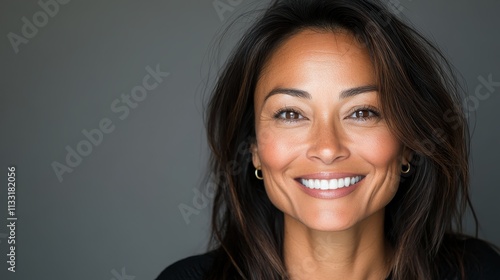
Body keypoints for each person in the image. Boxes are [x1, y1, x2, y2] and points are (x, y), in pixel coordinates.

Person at [157, 0, 500, 279]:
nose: (327, 148)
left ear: (407, 144)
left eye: (362, 112)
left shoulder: (479, 272)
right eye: (291, 114)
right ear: (255, 149)